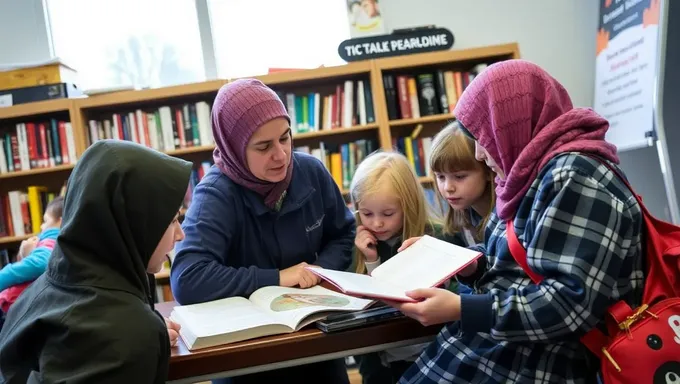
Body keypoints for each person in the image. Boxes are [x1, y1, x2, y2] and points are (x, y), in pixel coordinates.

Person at [392, 59, 644, 383]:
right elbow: (515, 261)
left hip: (535, 363)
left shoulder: (575, 176)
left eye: (482, 137)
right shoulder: (529, 172)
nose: (481, 155)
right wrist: (461, 262)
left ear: (508, 123)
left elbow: (569, 305)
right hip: (506, 350)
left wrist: (463, 309)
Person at [171, 78, 355, 384]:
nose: (281, 155)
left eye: (285, 138)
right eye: (263, 146)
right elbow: (188, 279)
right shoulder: (214, 195)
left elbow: (343, 234)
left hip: (317, 344)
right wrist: (279, 278)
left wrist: (319, 271)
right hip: (248, 360)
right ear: (234, 147)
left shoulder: (311, 171)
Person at [0, 140, 192, 383]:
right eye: (173, 220)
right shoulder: (125, 336)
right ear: (135, 222)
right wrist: (140, 333)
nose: (181, 234)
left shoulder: (44, 289)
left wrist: (145, 329)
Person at [349, 151, 462, 384]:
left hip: (436, 354)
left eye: (388, 213)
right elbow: (362, 305)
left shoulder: (439, 238)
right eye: (367, 213)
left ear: (408, 205)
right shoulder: (358, 246)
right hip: (383, 362)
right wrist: (371, 260)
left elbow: (459, 296)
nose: (377, 223)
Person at [0, 196, 63, 327]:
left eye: (46, 220)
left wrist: (4, 275)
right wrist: (25, 254)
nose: (42, 226)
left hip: (13, 311)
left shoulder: (51, 240)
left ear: (60, 222)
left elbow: (40, 263)